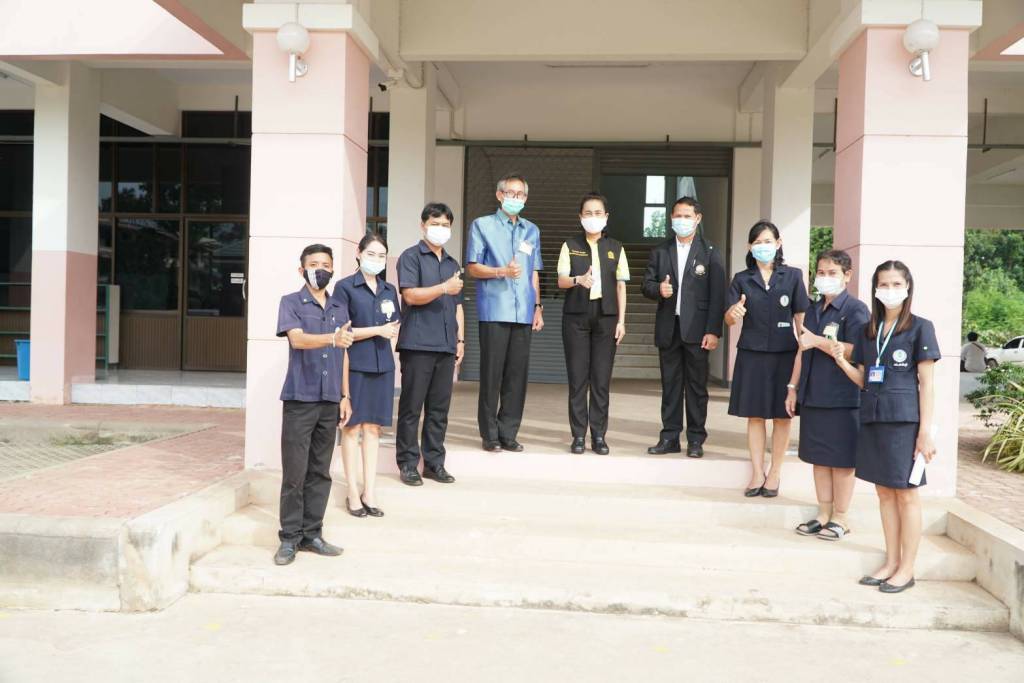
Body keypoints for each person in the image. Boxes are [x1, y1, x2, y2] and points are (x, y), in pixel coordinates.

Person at [834, 260, 939, 593]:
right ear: (875, 289)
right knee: (883, 493)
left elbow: (927, 384)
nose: (890, 290)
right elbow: (865, 378)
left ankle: (907, 569)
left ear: (907, 288)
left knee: (906, 494)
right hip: (874, 418)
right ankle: (891, 562)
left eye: (896, 284)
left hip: (904, 422)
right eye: (884, 284)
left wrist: (924, 432)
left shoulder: (921, 328)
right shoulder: (869, 331)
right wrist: (841, 361)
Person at [272, 243, 354, 566]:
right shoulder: (291, 302)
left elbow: (343, 353)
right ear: (302, 269)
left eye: (326, 264)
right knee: (295, 471)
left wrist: (345, 396)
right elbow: (297, 339)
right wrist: (331, 338)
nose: (321, 269)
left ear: (332, 270)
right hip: (300, 397)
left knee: (320, 471)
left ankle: (312, 534)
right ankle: (289, 539)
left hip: (330, 399)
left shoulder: (339, 306)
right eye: (314, 264)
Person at [724, 220, 809, 498]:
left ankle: (775, 472)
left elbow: (801, 318)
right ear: (750, 247)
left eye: (768, 241)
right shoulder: (741, 278)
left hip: (785, 354)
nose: (763, 247)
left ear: (778, 243)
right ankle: (757, 472)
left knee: (783, 416)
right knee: (756, 415)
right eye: (758, 242)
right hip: (752, 354)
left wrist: (806, 352)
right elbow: (728, 317)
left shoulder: (793, 276)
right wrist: (733, 313)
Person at [793, 250, 870, 541]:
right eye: (821, 273)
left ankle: (841, 517)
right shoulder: (814, 309)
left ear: (847, 276)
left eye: (832, 273)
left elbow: (858, 350)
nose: (825, 278)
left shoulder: (856, 310)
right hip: (814, 395)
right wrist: (793, 388)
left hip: (843, 398)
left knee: (841, 461)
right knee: (820, 459)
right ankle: (823, 513)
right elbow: (803, 350)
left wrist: (818, 341)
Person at [642, 196, 726, 458]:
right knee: (670, 385)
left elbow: (718, 295)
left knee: (697, 387)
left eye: (687, 216)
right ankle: (669, 437)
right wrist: (659, 289)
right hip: (669, 327)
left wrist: (713, 331)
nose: (682, 220)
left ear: (697, 219)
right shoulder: (660, 251)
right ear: (671, 218)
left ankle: (696, 439)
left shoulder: (710, 252)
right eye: (678, 216)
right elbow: (646, 285)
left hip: (698, 331)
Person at [466, 173, 544, 453]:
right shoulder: (482, 225)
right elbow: (472, 267)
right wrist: (502, 272)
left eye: (520, 194)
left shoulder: (531, 230)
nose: (515, 198)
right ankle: (490, 434)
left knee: (516, 376)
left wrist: (537, 307)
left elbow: (534, 272)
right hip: (494, 310)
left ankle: (508, 433)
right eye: (510, 193)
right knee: (492, 374)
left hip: (523, 311)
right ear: (500, 195)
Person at [395, 202, 465, 486]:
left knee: (439, 410)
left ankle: (434, 463)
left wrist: (460, 339)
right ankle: (408, 463)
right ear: (423, 225)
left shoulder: (452, 264)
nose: (440, 229)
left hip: (446, 345)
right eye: (435, 224)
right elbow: (410, 295)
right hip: (418, 344)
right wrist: (443, 288)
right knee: (412, 407)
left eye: (445, 225)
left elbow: (457, 305)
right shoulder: (410, 257)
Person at [556, 192, 630, 454]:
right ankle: (578, 435)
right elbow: (561, 280)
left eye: (598, 213)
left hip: (606, 317)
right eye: (588, 213)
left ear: (606, 217)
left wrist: (621, 321)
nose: (593, 217)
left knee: (600, 379)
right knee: (578, 379)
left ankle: (598, 435)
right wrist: (578, 280)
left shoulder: (616, 248)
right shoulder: (570, 245)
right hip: (576, 317)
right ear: (580, 217)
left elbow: (621, 286)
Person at [334, 232, 400, 517]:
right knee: (351, 429)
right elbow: (342, 331)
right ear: (359, 254)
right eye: (371, 254)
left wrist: (385, 336)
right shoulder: (345, 287)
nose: (376, 259)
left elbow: (394, 326)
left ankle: (369, 491)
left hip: (382, 367)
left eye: (381, 255)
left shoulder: (389, 290)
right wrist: (377, 331)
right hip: (355, 366)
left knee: (373, 429)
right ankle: (352, 492)